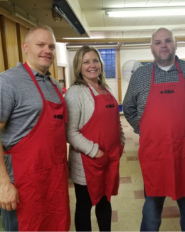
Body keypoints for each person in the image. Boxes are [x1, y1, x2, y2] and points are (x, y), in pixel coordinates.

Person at [0, 26, 70, 232]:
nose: (47, 50)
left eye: (51, 46)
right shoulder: (5, 82)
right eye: (40, 45)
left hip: (54, 181)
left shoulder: (54, 85)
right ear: (26, 47)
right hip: (23, 184)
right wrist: (3, 185)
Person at [123, 28, 185, 232]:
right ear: (152, 47)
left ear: (175, 44)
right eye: (158, 42)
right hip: (154, 154)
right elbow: (128, 107)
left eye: (168, 41)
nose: (163, 45)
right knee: (152, 208)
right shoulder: (141, 75)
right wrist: (142, 129)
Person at [65, 45, 125, 232]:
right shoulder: (76, 92)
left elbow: (116, 120)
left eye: (95, 60)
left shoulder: (105, 88)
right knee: (84, 205)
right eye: (86, 62)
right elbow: (70, 132)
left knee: (105, 201)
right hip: (87, 163)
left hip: (109, 158)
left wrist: (121, 140)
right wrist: (95, 151)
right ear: (79, 66)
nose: (92, 65)